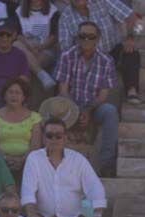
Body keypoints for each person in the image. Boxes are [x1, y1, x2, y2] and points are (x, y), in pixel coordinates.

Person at [21, 116, 109, 217]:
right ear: (43, 138)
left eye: (58, 136)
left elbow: (94, 187)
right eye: (50, 135)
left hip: (76, 216)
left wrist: (97, 216)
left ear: (65, 138)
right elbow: (28, 189)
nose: (54, 139)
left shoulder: (78, 159)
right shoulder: (34, 158)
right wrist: (31, 214)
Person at [55, 20, 119, 176]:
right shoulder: (67, 56)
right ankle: (54, 160)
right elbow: (63, 89)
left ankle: (106, 163)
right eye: (83, 36)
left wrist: (88, 111)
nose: (86, 40)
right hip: (70, 105)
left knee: (110, 111)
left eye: (91, 37)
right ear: (77, 38)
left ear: (97, 39)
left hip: (94, 107)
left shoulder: (106, 61)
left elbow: (103, 95)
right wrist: (75, 111)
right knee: (53, 109)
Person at [57, 0, 143, 105]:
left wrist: (129, 38)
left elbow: (130, 16)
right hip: (86, 56)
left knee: (131, 51)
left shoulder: (103, 2)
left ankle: (132, 91)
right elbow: (65, 47)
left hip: (112, 50)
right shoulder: (65, 17)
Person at [0, 77, 41, 178]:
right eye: (10, 92)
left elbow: (35, 146)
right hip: (0, 161)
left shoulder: (34, 117)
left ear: (24, 97)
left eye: (18, 93)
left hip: (27, 162)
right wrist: (6, 158)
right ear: (4, 95)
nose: (14, 96)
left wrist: (21, 160)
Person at [13, 0, 62, 86]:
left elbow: (54, 36)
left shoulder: (53, 10)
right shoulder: (18, 11)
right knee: (16, 44)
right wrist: (29, 46)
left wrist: (40, 47)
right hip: (26, 46)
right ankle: (41, 74)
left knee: (25, 65)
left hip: (46, 47)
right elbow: (18, 34)